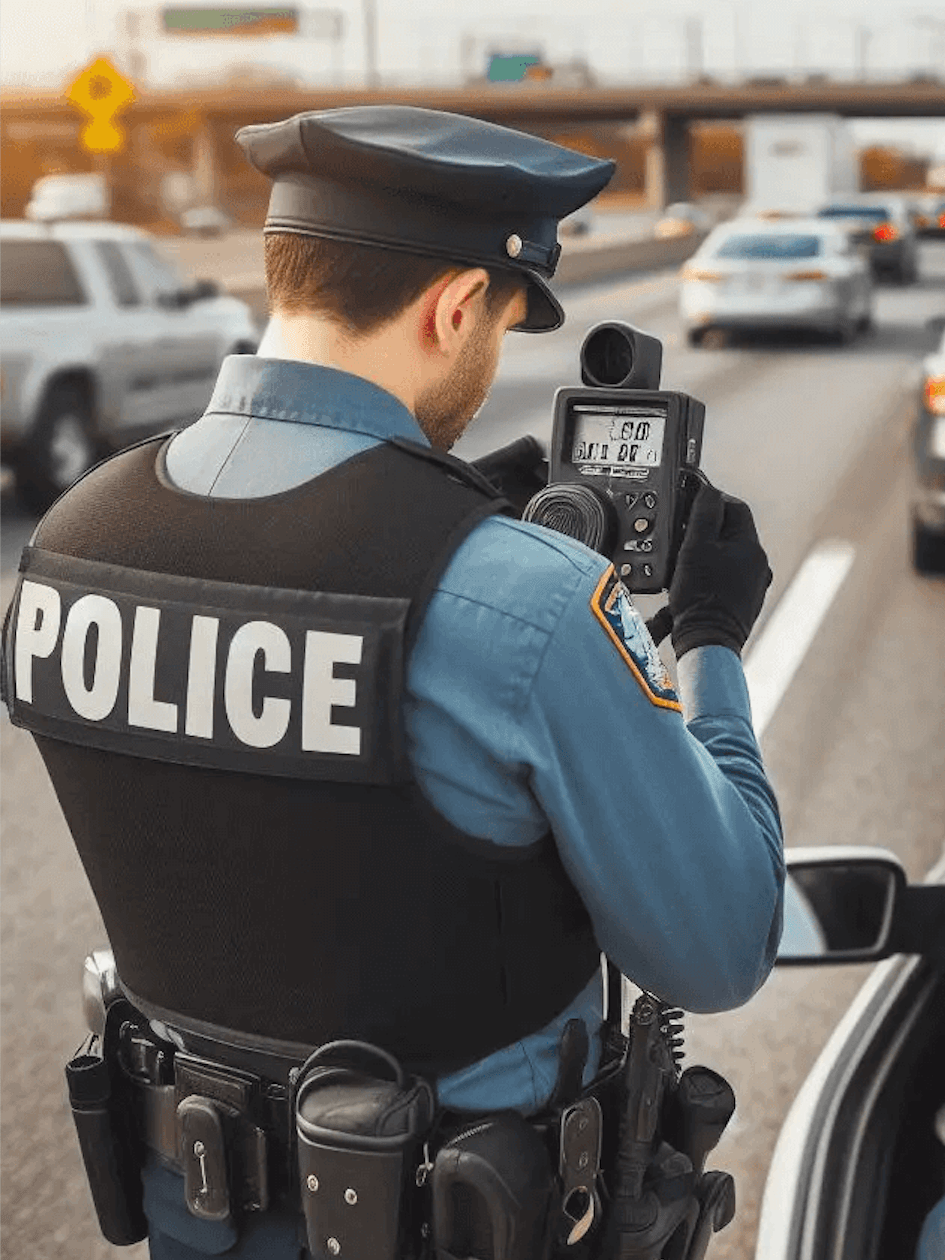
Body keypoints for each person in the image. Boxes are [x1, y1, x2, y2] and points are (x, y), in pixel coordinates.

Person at [5, 105, 783, 1258]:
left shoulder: (68, 542)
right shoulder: (522, 606)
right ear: (455, 306)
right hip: (458, 1220)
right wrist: (710, 634)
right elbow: (716, 949)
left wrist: (437, 507)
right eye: (502, 328)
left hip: (191, 1211)